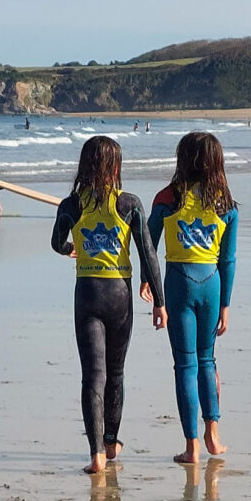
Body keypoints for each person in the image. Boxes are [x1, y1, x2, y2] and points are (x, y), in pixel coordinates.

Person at [51, 135, 166, 474]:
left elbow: (57, 242)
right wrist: (160, 301)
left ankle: (96, 455)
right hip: (120, 295)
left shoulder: (70, 205)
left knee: (93, 376)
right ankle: (112, 442)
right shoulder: (130, 204)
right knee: (115, 373)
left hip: (87, 293)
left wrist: (70, 245)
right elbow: (148, 254)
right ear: (116, 167)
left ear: (84, 166)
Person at [147, 131, 238, 464]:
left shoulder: (167, 198)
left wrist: (149, 282)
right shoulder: (226, 204)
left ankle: (192, 447)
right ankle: (213, 432)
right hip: (212, 283)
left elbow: (148, 244)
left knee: (185, 365)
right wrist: (225, 304)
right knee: (207, 360)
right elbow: (228, 259)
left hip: (178, 283)